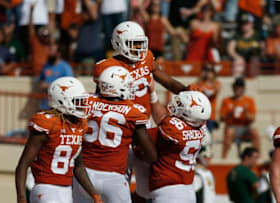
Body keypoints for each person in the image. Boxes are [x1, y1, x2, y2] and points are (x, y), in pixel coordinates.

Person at [93, 21, 187, 201]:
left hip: (144, 127)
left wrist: (187, 90)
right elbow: (101, 100)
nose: (138, 48)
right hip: (121, 131)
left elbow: (166, 80)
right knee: (119, 181)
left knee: (146, 188)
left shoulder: (147, 58)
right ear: (119, 43)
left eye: (140, 43)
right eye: (132, 44)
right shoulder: (107, 67)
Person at [73, 67, 157, 203]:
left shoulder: (86, 102)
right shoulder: (133, 111)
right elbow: (151, 155)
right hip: (113, 178)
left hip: (84, 176)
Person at [15, 77, 103, 203]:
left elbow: (78, 167)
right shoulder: (47, 123)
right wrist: (21, 198)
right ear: (62, 100)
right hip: (46, 189)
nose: (82, 105)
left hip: (66, 191)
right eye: (77, 101)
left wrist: (94, 194)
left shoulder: (79, 125)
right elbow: (23, 164)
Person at [148, 90, 212, 203]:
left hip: (169, 190)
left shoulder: (174, 130)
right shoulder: (201, 127)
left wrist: (152, 94)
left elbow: (161, 117)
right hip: (188, 189)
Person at [220, 77, 259, 158]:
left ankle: (257, 157)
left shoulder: (249, 100)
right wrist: (231, 113)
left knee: (254, 132)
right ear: (233, 88)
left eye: (240, 87)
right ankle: (224, 157)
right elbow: (222, 118)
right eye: (236, 87)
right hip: (231, 128)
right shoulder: (227, 100)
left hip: (245, 128)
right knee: (229, 131)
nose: (238, 89)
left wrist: (245, 112)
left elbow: (252, 119)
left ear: (244, 88)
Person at [39, 43, 74, 110]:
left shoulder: (65, 67)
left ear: (58, 54)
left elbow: (70, 85)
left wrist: (50, 85)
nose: (49, 53)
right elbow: (41, 83)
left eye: (51, 50)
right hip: (45, 105)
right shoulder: (46, 66)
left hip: (60, 107)